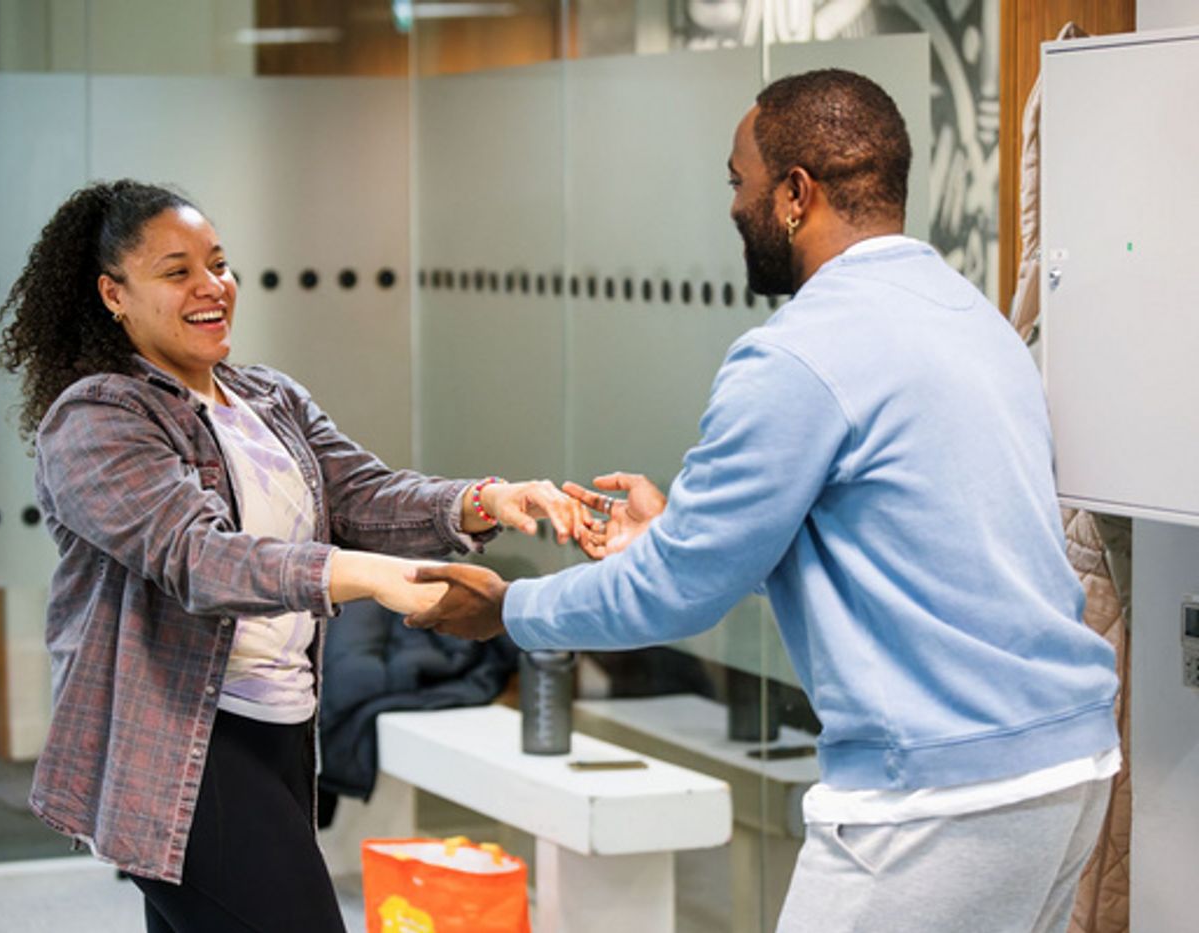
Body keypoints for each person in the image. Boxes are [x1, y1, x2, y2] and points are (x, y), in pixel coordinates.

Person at [407, 69, 1121, 933]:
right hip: (1067, 761)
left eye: (738, 181)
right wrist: (677, 531)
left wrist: (509, 608)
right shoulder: (971, 317)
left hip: (938, 790)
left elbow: (678, 592)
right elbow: (901, 538)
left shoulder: (798, 353)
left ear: (795, 194)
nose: (734, 207)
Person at [0, 179, 586, 933]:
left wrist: (486, 500)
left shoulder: (266, 398)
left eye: (218, 264)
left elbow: (361, 495)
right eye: (177, 272)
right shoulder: (96, 420)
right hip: (184, 749)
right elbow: (200, 558)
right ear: (115, 294)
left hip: (281, 727)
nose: (211, 287)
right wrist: (373, 578)